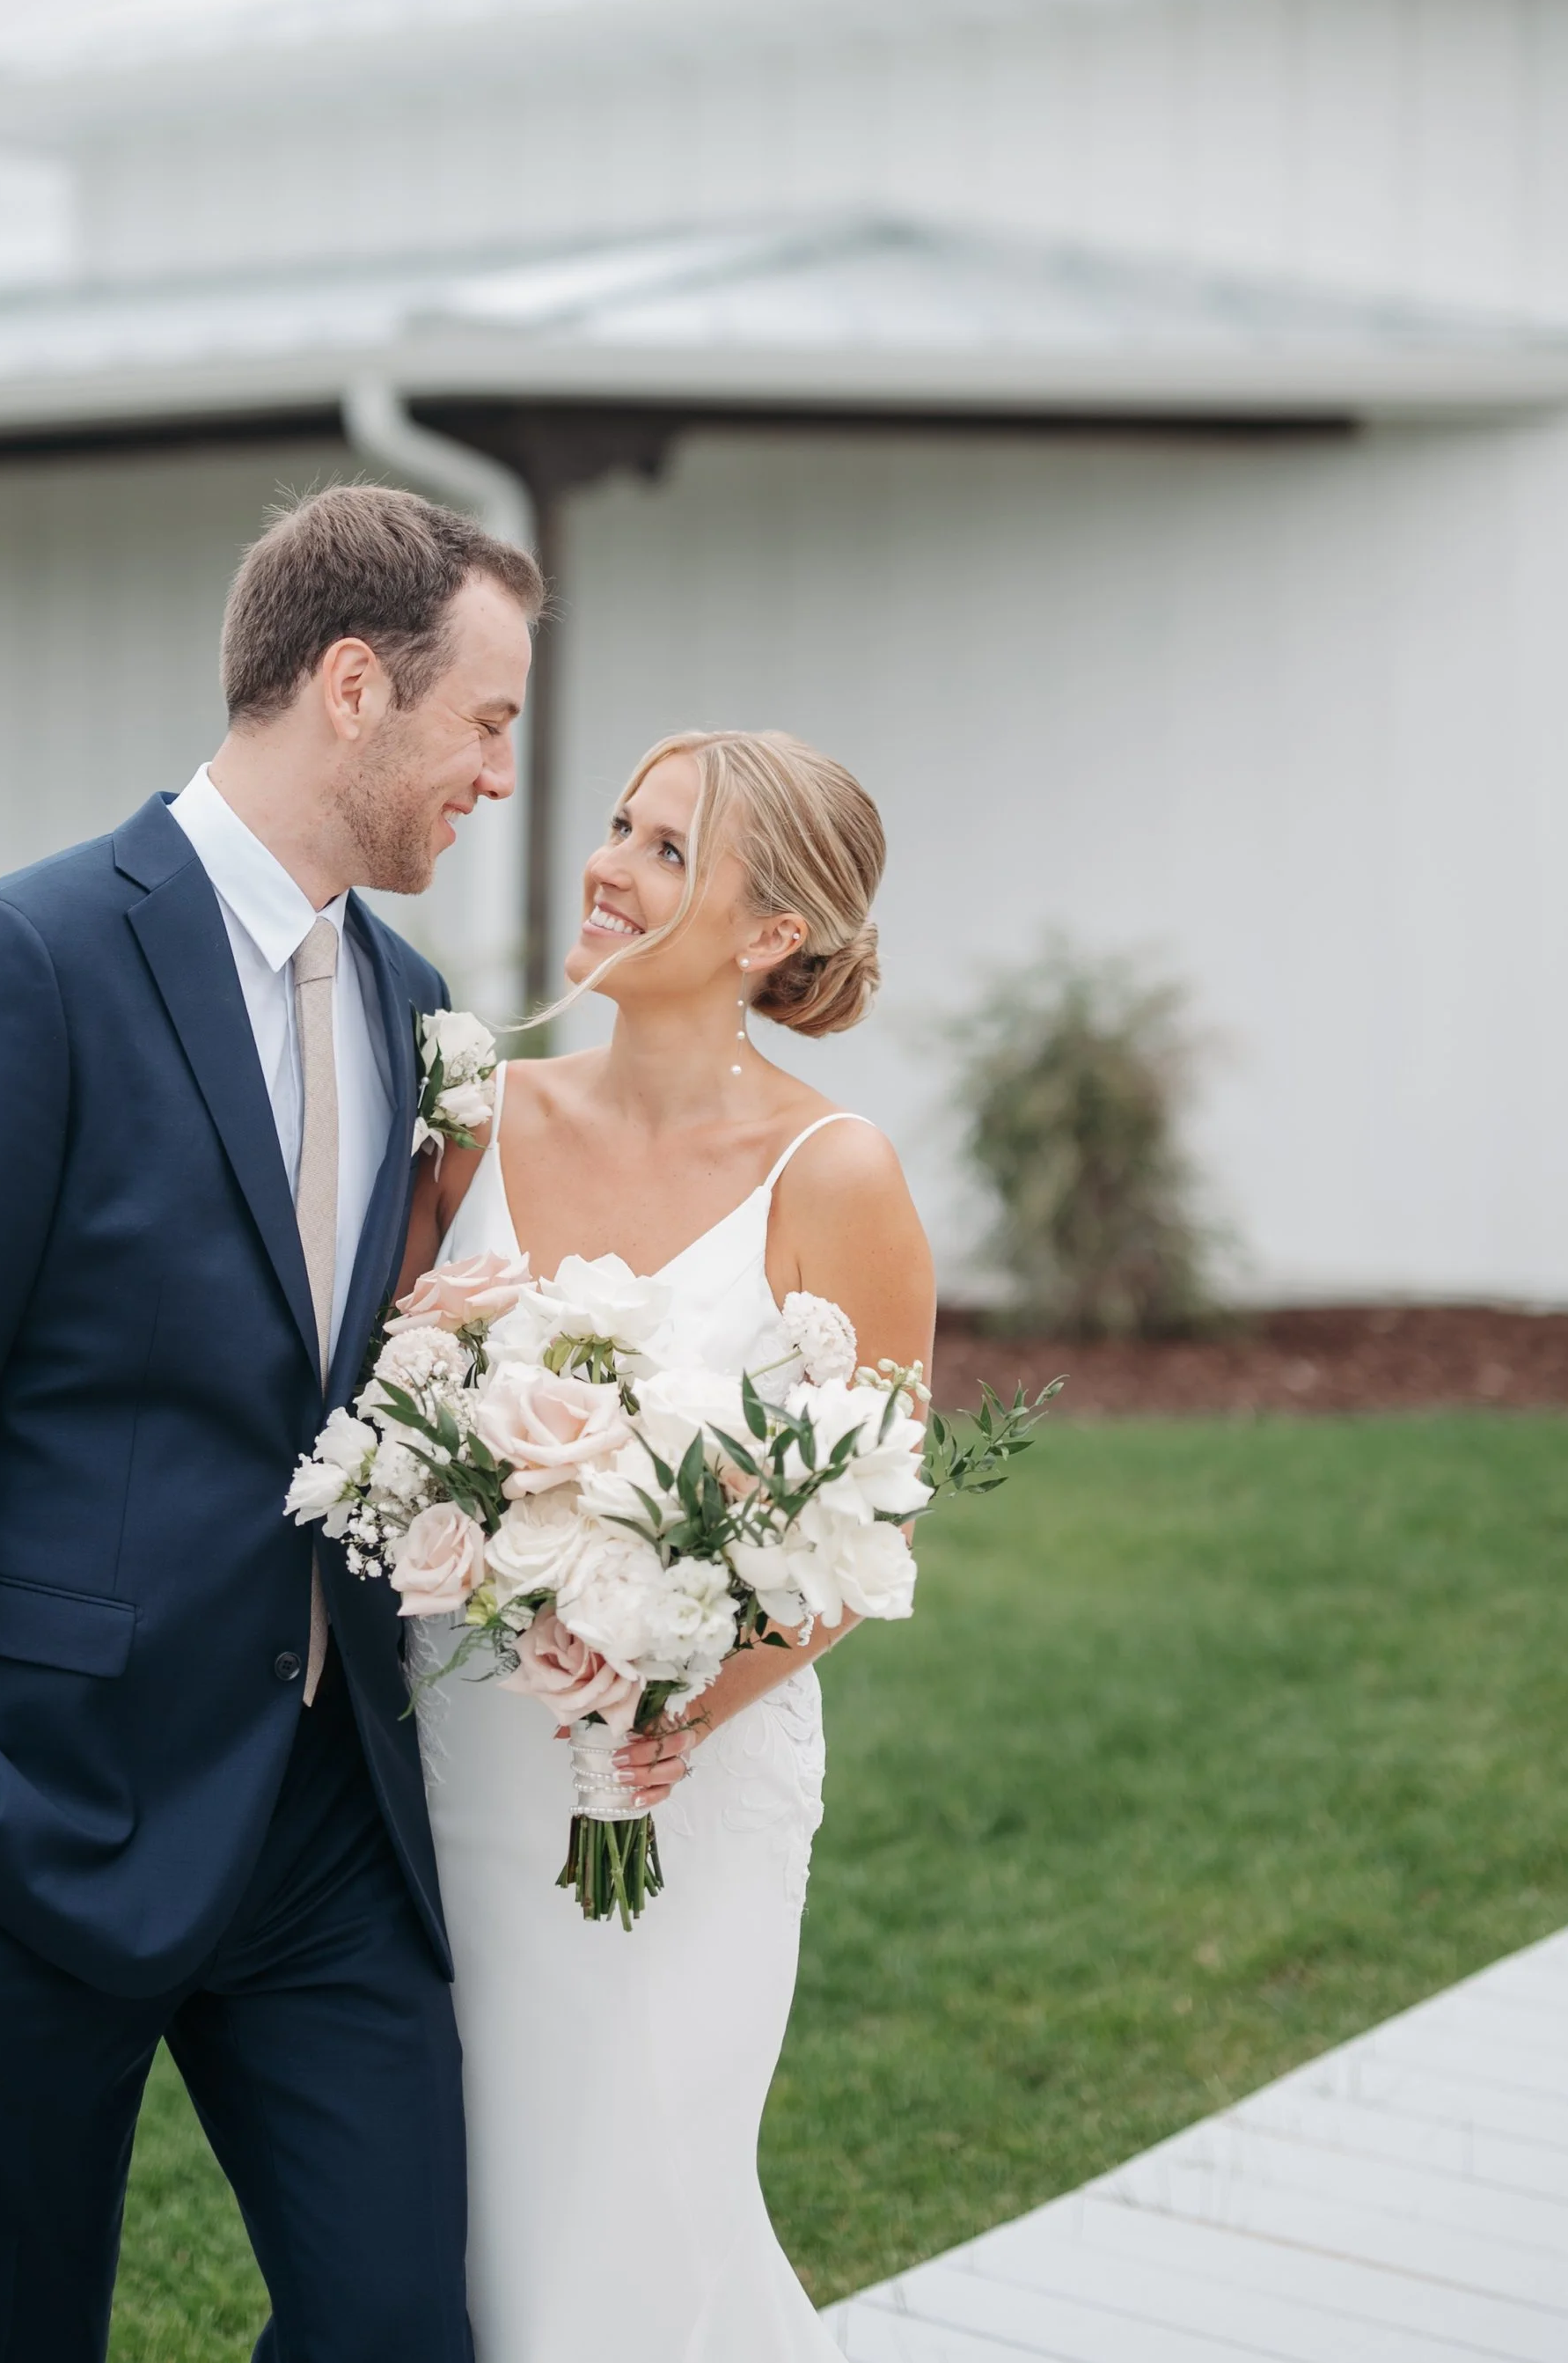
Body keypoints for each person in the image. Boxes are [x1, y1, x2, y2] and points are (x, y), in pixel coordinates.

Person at [0, 481, 543, 2363]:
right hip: (30, 1814)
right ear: (353, 686)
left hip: (324, 1818)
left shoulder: (412, 999)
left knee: (398, 2325)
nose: (500, 773)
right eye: (486, 719)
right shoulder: (23, 959)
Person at [407, 726, 936, 2362]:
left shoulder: (833, 1173)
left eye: (666, 850)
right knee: (467, 2217)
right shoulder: (476, 1114)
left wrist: (675, 1709)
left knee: (644, 2204)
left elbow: (871, 1512)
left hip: (673, 1790)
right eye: (620, 827)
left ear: (775, 931)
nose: (608, 867)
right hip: (447, 1761)